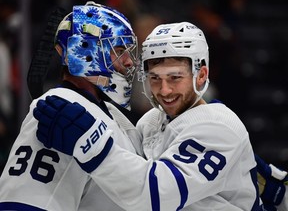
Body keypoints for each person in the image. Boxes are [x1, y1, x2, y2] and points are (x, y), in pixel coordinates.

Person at [29, 21, 288, 210]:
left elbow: (154, 195)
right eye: (155, 79)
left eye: (175, 78)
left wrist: (90, 141)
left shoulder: (219, 125)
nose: (164, 91)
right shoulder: (152, 120)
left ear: (201, 75)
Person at [0, 1, 143, 210]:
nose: (129, 61)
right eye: (119, 49)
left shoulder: (111, 114)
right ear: (85, 51)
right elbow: (24, 201)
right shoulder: (60, 110)